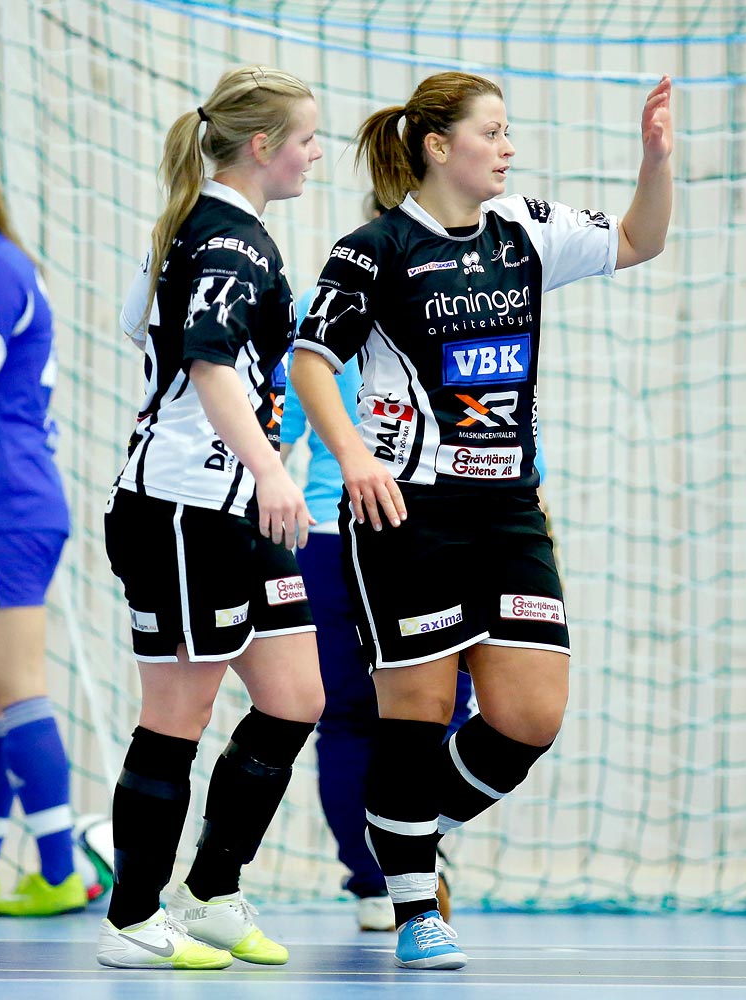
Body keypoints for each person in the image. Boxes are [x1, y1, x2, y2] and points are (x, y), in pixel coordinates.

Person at [290, 70, 672, 969]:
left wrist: (655, 162)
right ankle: (418, 906)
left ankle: (410, 829)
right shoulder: (372, 249)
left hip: (508, 507)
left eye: (507, 134)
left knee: (529, 716)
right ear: (437, 146)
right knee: (414, 714)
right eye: (491, 133)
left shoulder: (527, 232)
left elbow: (636, 240)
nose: (507, 149)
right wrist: (352, 456)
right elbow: (312, 361)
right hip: (405, 508)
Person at [97, 64, 325, 971]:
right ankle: (131, 918)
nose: (315, 154)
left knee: (295, 696)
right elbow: (204, 361)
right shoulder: (226, 241)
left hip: (231, 512)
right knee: (178, 711)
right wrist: (269, 467)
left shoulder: (223, 234)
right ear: (262, 146)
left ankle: (211, 893)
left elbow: (141, 326)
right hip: (182, 510)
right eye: (305, 139)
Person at [281, 191, 474, 930]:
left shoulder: (474, 296)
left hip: (438, 525)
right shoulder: (328, 303)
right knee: (362, 716)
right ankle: (378, 877)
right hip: (345, 532)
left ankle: (396, 860)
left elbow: (506, 419)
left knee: (426, 712)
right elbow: (286, 416)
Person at [0, 175, 83, 917]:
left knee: (15, 685)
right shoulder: (4, 261)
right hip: (12, 502)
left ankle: (58, 870)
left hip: (0, 505)